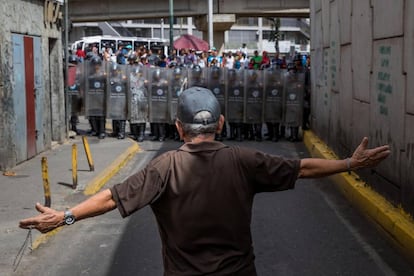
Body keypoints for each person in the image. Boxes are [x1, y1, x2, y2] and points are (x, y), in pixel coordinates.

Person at [19, 87, 390, 276]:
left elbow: (111, 198)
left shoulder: (164, 167)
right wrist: (348, 163)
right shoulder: (245, 160)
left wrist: (63, 218)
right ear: (222, 124)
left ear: (178, 128)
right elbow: (302, 168)